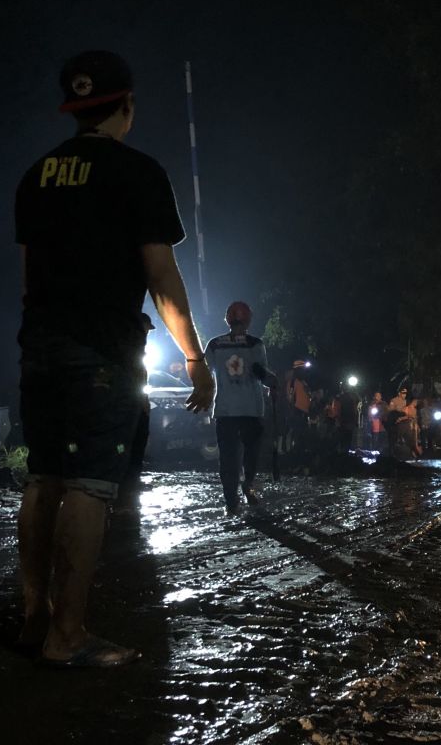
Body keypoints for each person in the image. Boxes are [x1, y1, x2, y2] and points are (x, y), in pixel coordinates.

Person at [13, 51, 214, 668]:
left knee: (43, 478)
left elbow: (29, 277)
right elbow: (161, 277)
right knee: (90, 488)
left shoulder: (35, 175)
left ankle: (32, 615)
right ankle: (67, 635)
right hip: (101, 349)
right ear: (125, 106)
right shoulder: (138, 173)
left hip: (39, 345)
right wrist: (194, 358)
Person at [206, 302, 271, 514]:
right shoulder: (255, 344)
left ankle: (231, 500)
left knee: (228, 457)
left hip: (224, 410)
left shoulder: (214, 345)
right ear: (249, 320)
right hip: (251, 410)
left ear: (227, 320)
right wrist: (273, 380)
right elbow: (262, 373)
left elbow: (206, 372)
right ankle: (248, 485)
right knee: (250, 454)